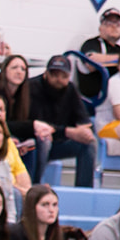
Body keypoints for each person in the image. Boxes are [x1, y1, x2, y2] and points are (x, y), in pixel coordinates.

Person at [21, 55, 100, 190]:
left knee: (89, 144)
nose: (59, 79)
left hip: (59, 142)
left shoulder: (70, 89)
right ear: (46, 74)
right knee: (43, 139)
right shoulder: (32, 87)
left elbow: (83, 120)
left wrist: (85, 132)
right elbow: (39, 127)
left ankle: (83, 192)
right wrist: (69, 132)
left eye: (63, 76)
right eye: (55, 75)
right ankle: (34, 188)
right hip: (34, 142)